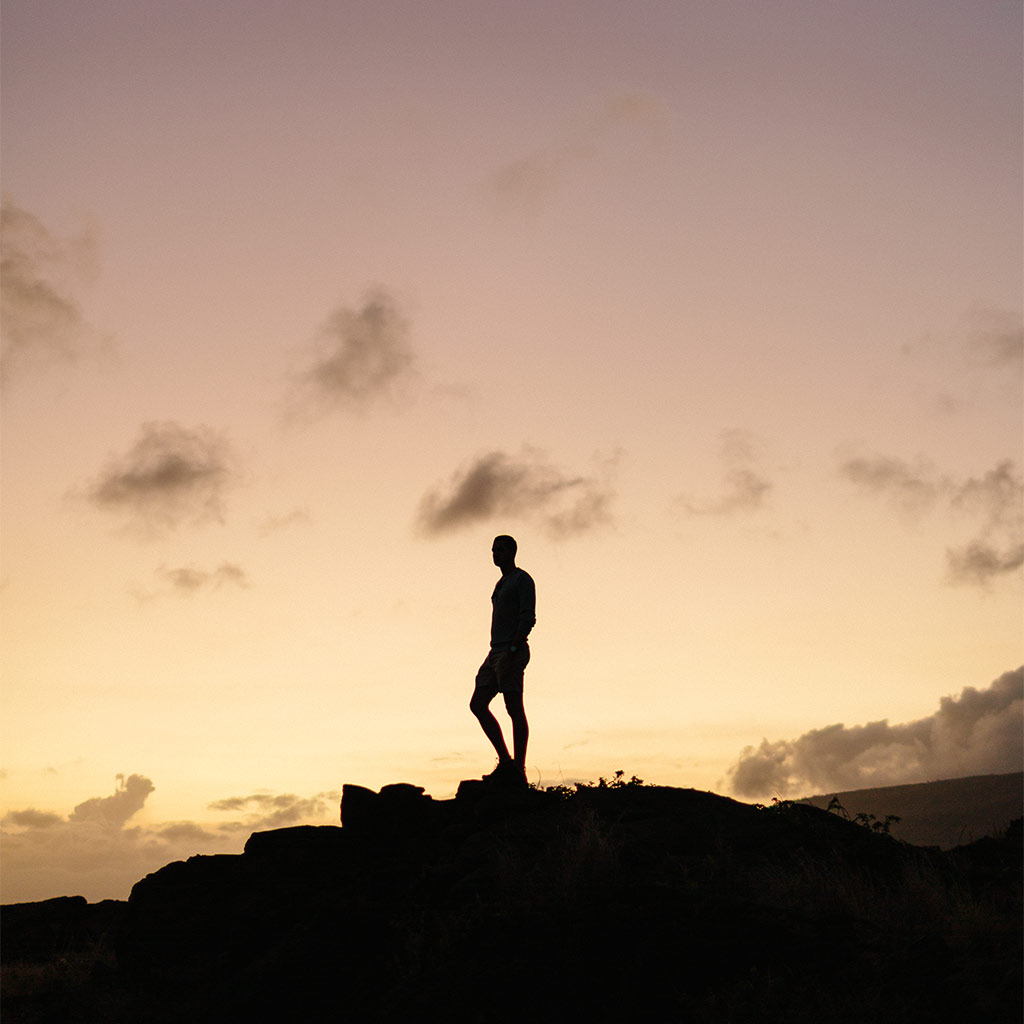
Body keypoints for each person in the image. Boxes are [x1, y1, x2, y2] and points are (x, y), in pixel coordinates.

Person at [470, 535, 535, 787]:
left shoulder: (522, 579)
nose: (495, 554)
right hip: (494, 653)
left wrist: (513, 648)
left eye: (500, 550)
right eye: (493, 550)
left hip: (511, 651)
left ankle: (519, 769)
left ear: (512, 552)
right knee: (477, 704)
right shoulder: (500, 584)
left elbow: (528, 617)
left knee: (514, 708)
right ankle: (506, 762)